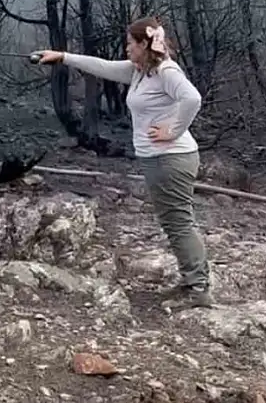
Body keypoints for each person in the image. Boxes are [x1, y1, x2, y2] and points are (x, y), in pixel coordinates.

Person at [35, 16, 211, 308]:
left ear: (144, 44)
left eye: (130, 43)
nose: (126, 48)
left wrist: (173, 130)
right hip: (158, 159)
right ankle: (191, 281)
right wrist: (63, 57)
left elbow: (192, 99)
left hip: (172, 158)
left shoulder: (166, 71)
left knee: (179, 222)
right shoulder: (141, 71)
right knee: (173, 222)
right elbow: (101, 66)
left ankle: (198, 289)